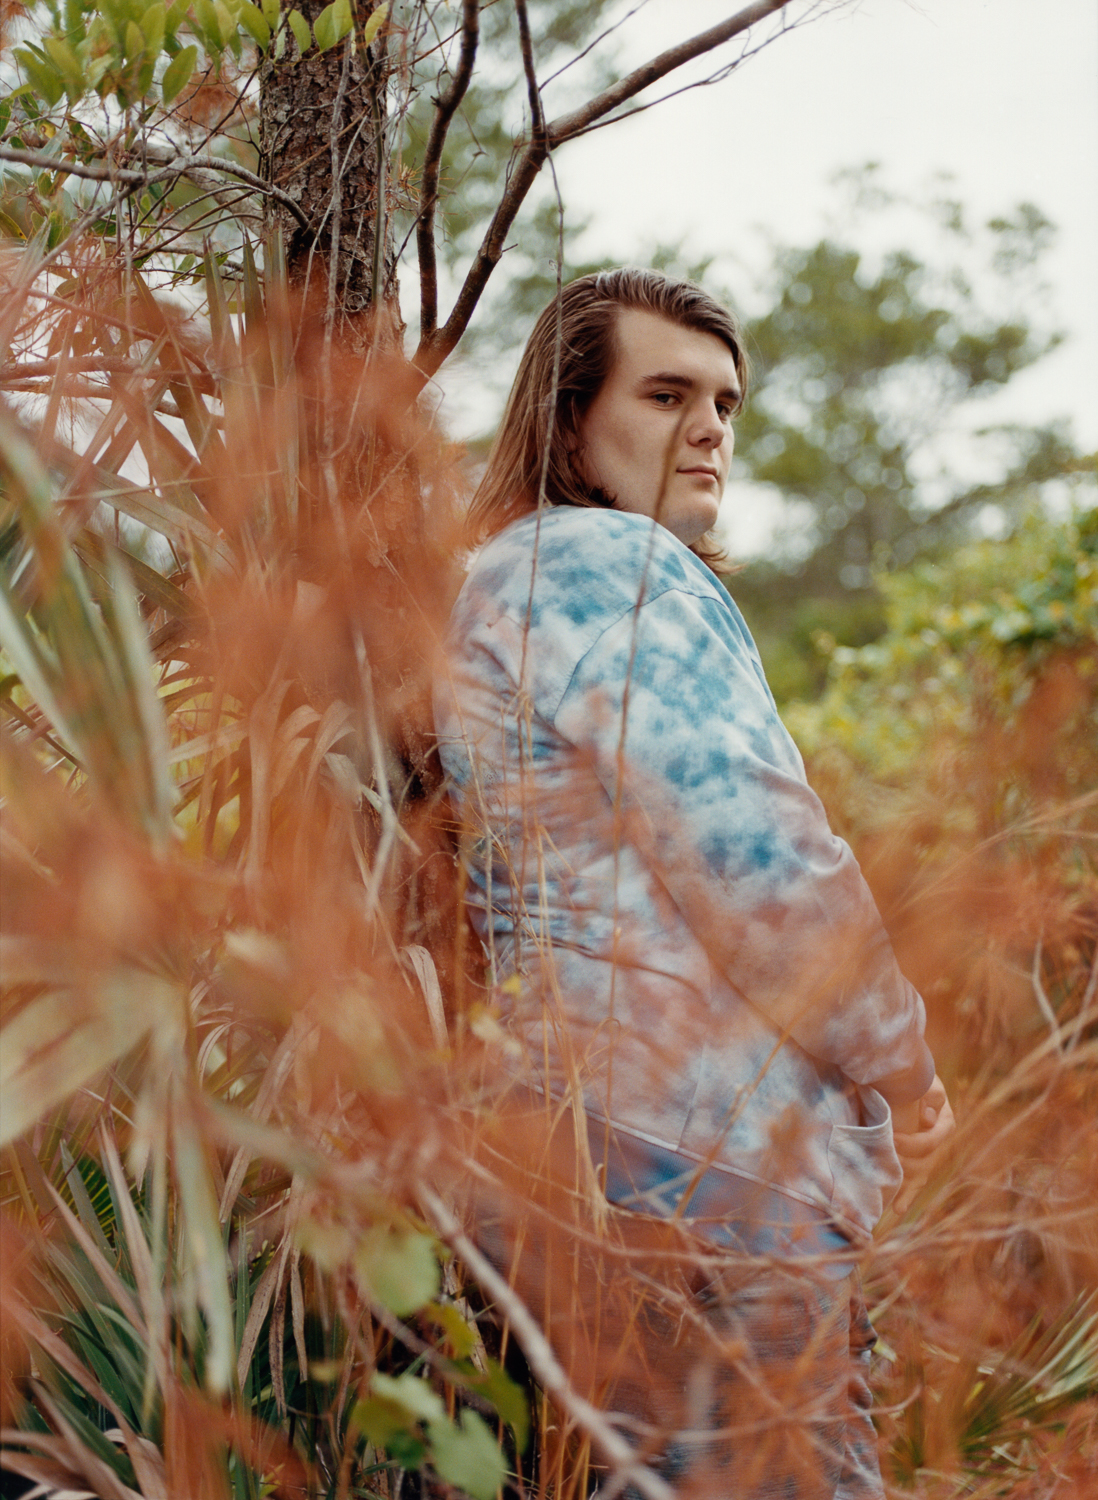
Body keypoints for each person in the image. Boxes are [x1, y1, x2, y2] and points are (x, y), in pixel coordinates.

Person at [433, 269, 954, 1498]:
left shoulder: (502, 580)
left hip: (597, 1151)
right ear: (568, 425)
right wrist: (905, 1069)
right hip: (704, 1162)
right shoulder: (606, 564)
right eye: (664, 394)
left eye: (724, 401)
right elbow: (759, 860)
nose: (711, 426)